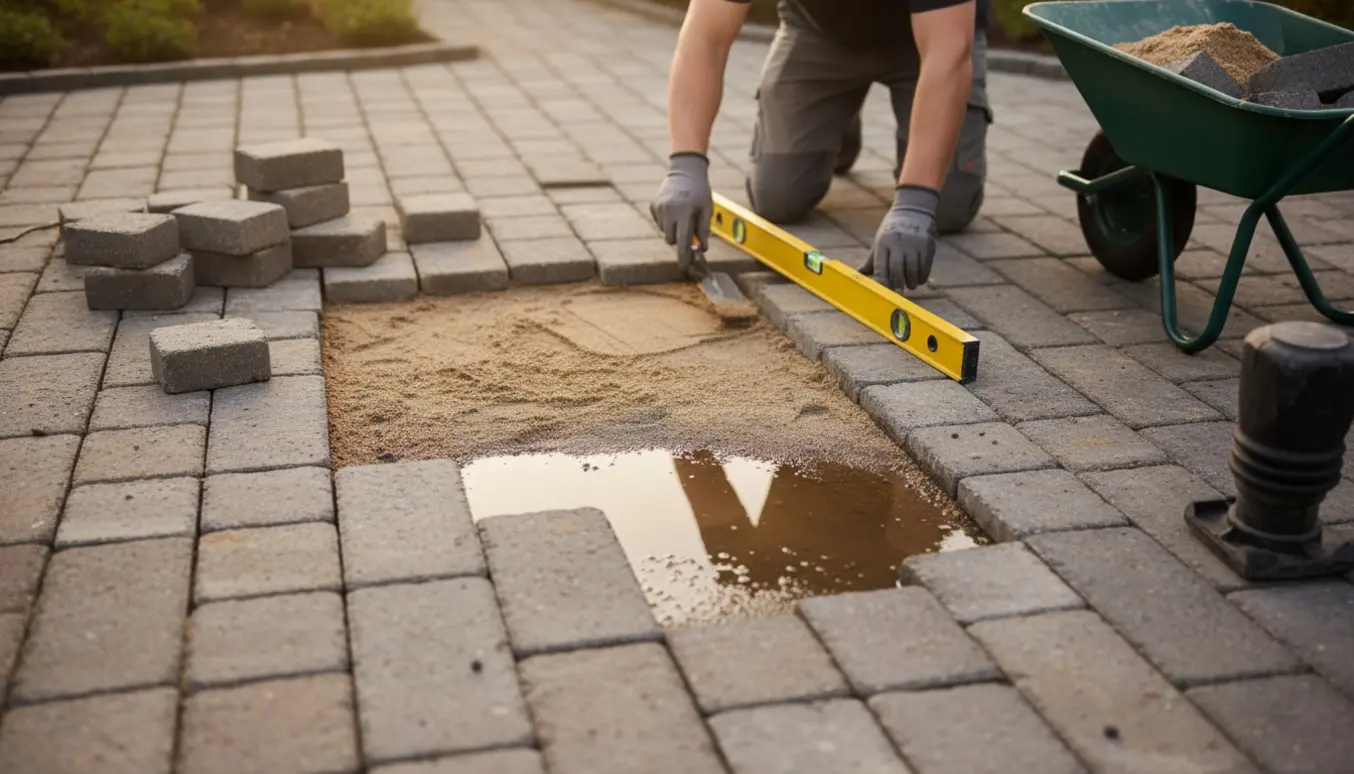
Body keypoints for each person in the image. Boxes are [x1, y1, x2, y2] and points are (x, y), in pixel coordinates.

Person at [650, 0, 992, 293]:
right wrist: (686, 162)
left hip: (928, 46)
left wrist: (916, 201)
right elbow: (705, 34)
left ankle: (841, 122)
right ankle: (836, 122)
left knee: (947, 206)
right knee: (779, 195)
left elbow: (948, 54)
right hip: (820, 34)